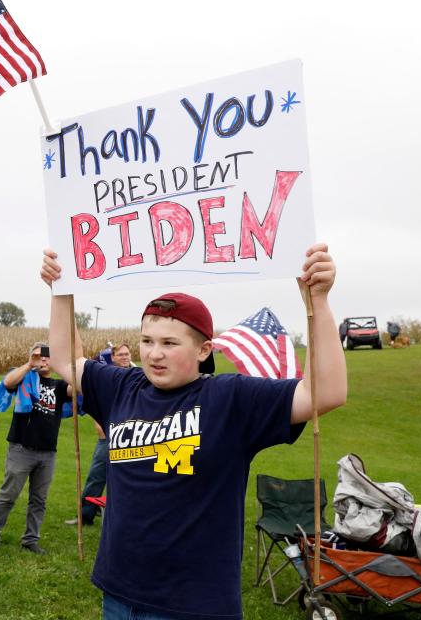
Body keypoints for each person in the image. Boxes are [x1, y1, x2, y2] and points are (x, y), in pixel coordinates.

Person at [41, 244, 347, 620]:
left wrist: (318, 303)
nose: (154, 354)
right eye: (147, 341)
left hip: (192, 606)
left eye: (170, 343)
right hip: (119, 593)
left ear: (203, 350)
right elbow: (64, 358)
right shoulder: (124, 387)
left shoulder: (228, 398)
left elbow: (325, 393)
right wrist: (62, 290)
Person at [0, 342, 71, 554]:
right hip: (21, 448)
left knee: (39, 500)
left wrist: (62, 366)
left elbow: (76, 388)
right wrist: (29, 364)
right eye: (38, 356)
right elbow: (7, 382)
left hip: (48, 452)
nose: (42, 360)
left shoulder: (58, 386)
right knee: (9, 494)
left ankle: (31, 540)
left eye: (46, 356)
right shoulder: (23, 378)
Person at [66, 342, 138, 527]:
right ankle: (86, 515)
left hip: (133, 438)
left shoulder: (139, 376)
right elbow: (89, 399)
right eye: (120, 354)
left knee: (129, 481)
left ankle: (127, 518)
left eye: (127, 354)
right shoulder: (107, 378)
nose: (124, 357)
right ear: (112, 357)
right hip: (107, 439)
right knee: (96, 478)